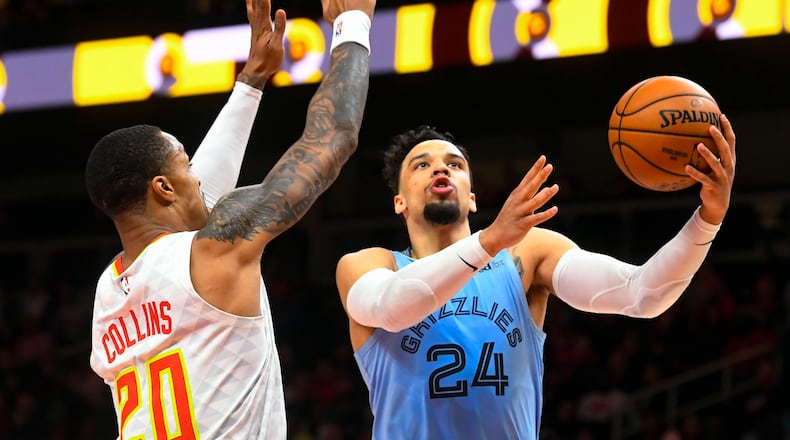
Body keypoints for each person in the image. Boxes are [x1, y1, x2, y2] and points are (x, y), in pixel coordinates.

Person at [335, 118, 736, 439]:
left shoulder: (526, 253)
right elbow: (391, 308)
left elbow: (642, 294)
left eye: (455, 164)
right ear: (399, 201)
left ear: (472, 196)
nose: (441, 167)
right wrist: (488, 241)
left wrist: (708, 220)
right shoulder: (368, 266)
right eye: (421, 164)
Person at [85, 0, 375, 436]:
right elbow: (333, 137)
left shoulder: (107, 294)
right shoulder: (214, 251)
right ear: (163, 188)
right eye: (187, 165)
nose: (197, 177)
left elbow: (196, 204)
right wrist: (354, 24)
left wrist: (252, 80)